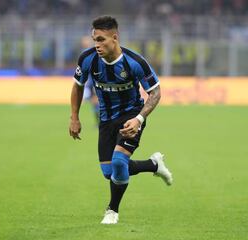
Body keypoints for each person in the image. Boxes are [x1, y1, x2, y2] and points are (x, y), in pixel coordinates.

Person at [69, 16, 173, 224]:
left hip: (131, 116)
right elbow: (78, 86)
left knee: (118, 162)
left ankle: (112, 211)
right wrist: (74, 117)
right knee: (109, 172)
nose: (97, 45)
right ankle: (154, 164)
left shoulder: (134, 62)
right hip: (106, 120)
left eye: (101, 40)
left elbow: (155, 92)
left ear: (114, 38)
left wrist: (139, 119)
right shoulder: (87, 59)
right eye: (94, 40)